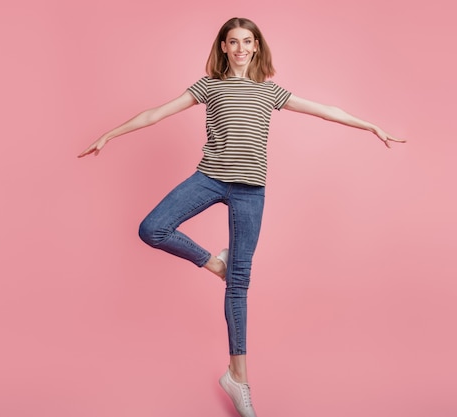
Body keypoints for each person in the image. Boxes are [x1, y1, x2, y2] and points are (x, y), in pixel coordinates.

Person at [78, 16, 405, 417]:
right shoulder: (209, 87)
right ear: (222, 47)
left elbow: (323, 110)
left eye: (246, 41)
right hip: (210, 178)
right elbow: (156, 113)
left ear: (255, 47)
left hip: (250, 190)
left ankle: (239, 378)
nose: (239, 48)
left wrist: (370, 125)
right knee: (153, 228)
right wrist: (110, 134)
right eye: (232, 42)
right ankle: (216, 262)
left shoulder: (269, 93)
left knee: (239, 285)